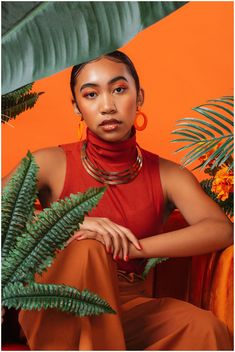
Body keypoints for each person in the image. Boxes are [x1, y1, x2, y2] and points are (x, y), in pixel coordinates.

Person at [3, 51, 233, 350]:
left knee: (204, 329)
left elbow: (220, 229)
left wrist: (133, 247)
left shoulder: (169, 175)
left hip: (125, 303)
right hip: (60, 303)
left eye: (119, 89)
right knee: (87, 247)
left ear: (139, 97)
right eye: (91, 94)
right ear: (76, 107)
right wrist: (69, 222)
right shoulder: (48, 162)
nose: (107, 106)